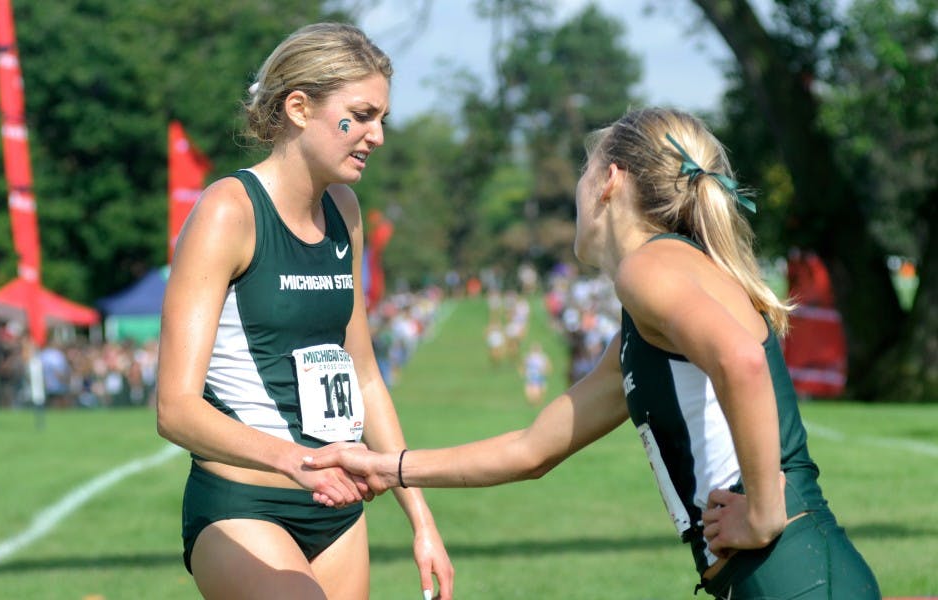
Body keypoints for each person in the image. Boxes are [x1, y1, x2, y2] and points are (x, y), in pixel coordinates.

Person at [305, 107, 880, 598]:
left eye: (583, 173)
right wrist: (386, 465)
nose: (577, 191)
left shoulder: (647, 267)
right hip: (780, 576)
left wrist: (761, 511)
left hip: (795, 574)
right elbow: (531, 451)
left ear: (609, 179)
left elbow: (743, 361)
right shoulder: (646, 306)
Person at [156, 22, 453, 600]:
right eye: (362, 115)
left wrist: (421, 519)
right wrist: (296, 461)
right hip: (243, 506)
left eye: (382, 120)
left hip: (336, 514)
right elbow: (175, 409)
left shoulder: (346, 211)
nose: (376, 136)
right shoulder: (227, 211)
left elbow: (364, 375)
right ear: (298, 107)